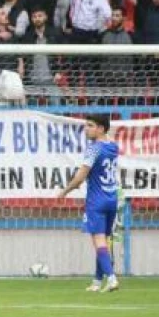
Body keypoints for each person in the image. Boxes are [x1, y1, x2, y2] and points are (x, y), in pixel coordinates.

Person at [57, 113, 121, 293]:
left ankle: (112, 278)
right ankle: (97, 281)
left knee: (98, 240)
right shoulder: (113, 146)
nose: (86, 129)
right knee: (103, 240)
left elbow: (80, 177)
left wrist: (64, 191)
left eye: (90, 125)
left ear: (100, 128)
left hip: (97, 200)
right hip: (112, 198)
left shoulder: (94, 148)